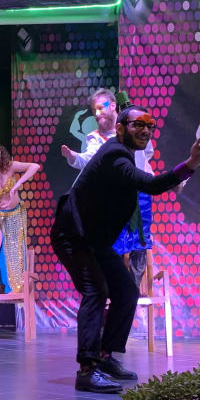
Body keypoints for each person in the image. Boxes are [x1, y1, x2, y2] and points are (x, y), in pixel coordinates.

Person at [52, 105, 200, 393]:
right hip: (73, 236)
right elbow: (152, 185)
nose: (145, 130)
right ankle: (87, 370)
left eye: (150, 125)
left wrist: (182, 173)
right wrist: (191, 163)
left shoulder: (128, 156)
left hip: (94, 239)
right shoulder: (115, 155)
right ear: (120, 128)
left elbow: (152, 182)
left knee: (126, 291)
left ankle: (104, 357)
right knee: (96, 290)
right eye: (138, 124)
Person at [61, 88, 156, 285]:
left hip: (138, 193)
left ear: (113, 105)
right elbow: (88, 159)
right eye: (94, 110)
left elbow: (147, 151)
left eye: (101, 108)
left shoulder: (132, 128)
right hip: (113, 198)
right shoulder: (95, 137)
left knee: (139, 241)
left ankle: (133, 287)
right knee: (114, 242)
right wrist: (73, 156)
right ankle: (119, 287)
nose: (97, 114)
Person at [0, 141, 41, 294]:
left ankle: (14, 286)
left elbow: (35, 166)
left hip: (15, 214)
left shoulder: (9, 167)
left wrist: (17, 185)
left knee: (13, 249)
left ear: (0, 156)